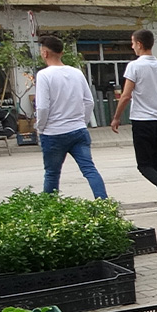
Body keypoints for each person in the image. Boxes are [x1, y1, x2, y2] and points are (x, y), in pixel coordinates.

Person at [110, 29, 157, 213]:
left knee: (144, 164)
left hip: (142, 121)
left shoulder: (135, 66)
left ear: (139, 44)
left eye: (133, 43)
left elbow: (125, 96)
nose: (132, 47)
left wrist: (116, 117)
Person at [34, 35, 108, 199]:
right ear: (62, 52)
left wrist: (40, 127)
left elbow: (43, 107)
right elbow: (89, 102)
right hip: (78, 130)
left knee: (52, 174)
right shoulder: (77, 73)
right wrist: (82, 122)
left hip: (53, 133)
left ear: (45, 53)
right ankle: (104, 203)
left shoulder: (44, 75)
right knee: (89, 169)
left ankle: (49, 209)